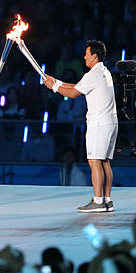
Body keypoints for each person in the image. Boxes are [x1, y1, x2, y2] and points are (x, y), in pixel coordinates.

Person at [43, 40, 117, 213]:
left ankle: (98, 201)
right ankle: (107, 200)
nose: (84, 57)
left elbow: (74, 93)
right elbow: (78, 86)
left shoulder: (93, 74)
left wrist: (54, 87)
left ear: (94, 56)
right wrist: (57, 82)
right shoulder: (104, 72)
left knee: (94, 161)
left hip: (99, 124)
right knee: (105, 162)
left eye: (87, 54)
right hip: (110, 122)